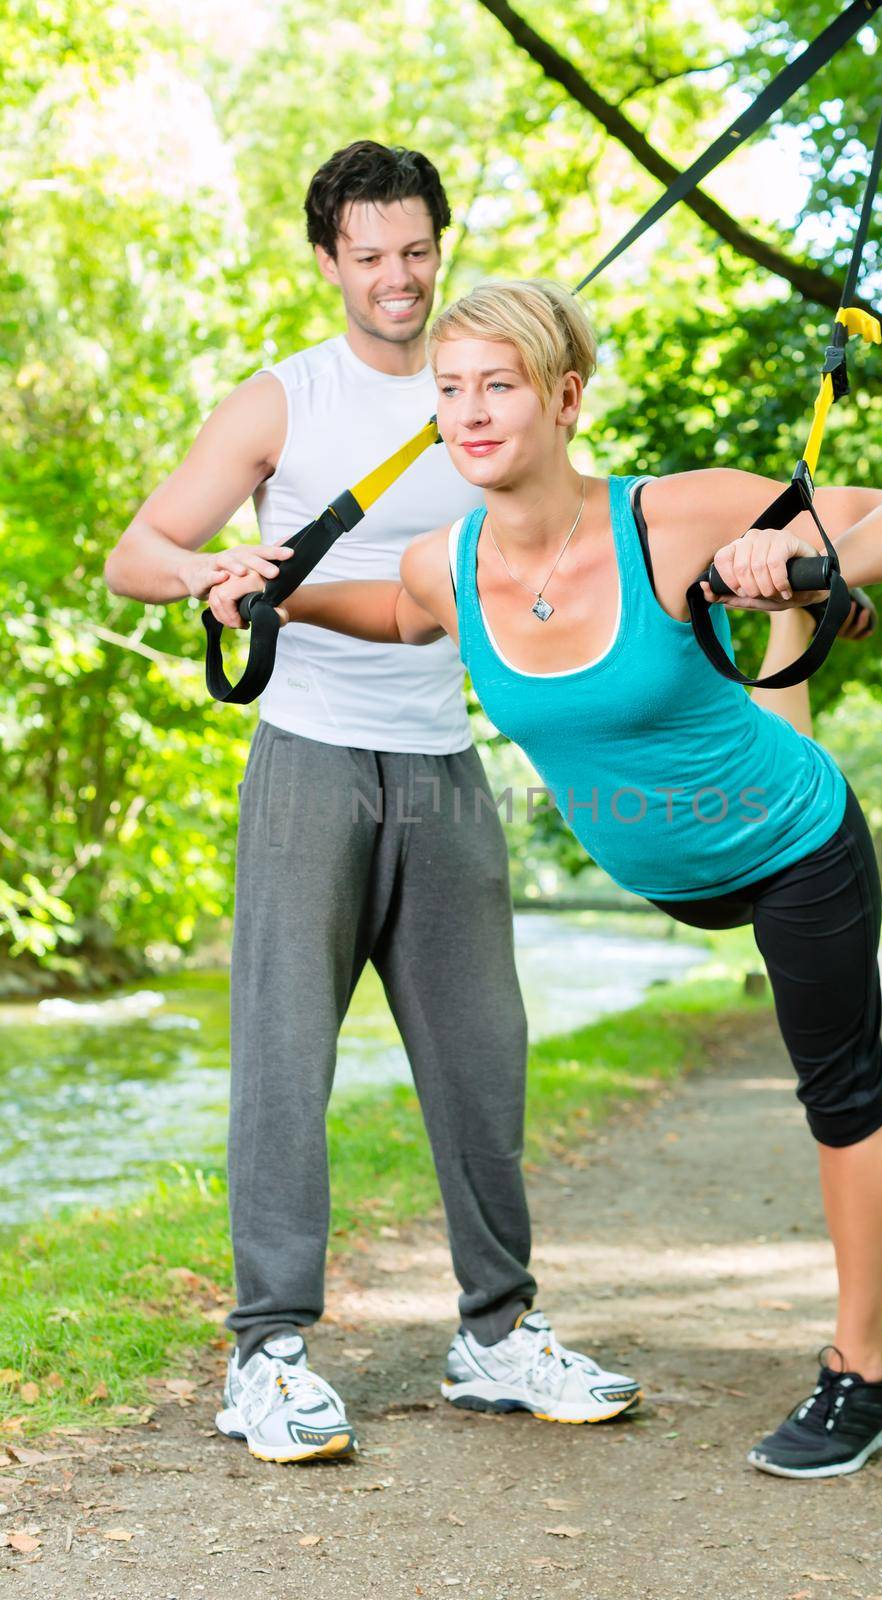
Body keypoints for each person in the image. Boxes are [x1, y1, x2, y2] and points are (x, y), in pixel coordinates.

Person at [208, 278, 882, 1479]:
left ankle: (862, 1372)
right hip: (664, 865)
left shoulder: (664, 518)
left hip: (789, 845)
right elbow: (398, 622)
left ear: (561, 397)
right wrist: (275, 594)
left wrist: (812, 558)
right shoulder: (443, 563)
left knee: (838, 1094)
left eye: (497, 385)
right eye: (449, 389)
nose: (469, 411)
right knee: (763, 668)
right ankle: (783, 637)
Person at [104, 161, 639, 1465]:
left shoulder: (489, 389)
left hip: (442, 757)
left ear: (438, 249)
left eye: (415, 251)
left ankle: (495, 1338)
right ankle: (266, 1357)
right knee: (285, 1066)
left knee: (481, 1057)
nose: (396, 278)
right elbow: (137, 555)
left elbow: (560, 549)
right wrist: (212, 576)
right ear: (328, 263)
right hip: (308, 757)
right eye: (368, 255)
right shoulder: (283, 400)